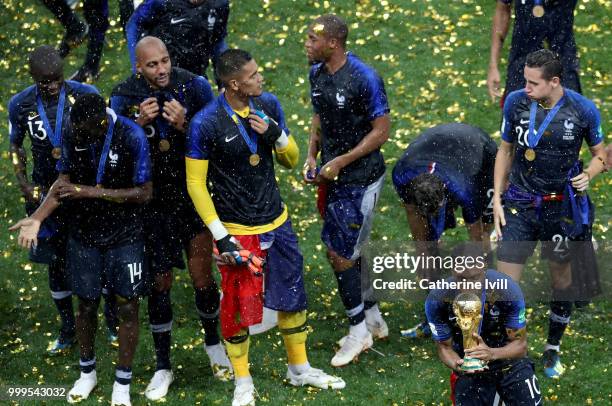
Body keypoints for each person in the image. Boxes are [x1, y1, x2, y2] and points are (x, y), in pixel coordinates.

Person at [186, 48, 345, 406]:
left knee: (292, 296)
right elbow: (195, 184)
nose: (260, 78)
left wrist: (276, 134)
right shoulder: (206, 123)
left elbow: (290, 161)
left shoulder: (267, 105)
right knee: (239, 309)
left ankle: (299, 368)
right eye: (253, 75)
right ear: (233, 83)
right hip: (237, 231)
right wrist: (221, 237)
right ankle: (243, 381)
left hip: (278, 221)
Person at [10, 93, 153, 405]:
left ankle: (122, 385)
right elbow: (62, 185)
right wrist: (36, 218)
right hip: (84, 235)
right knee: (86, 304)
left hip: (125, 236)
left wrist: (88, 191)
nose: (79, 135)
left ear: (101, 123)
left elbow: (143, 193)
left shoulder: (132, 136)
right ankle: (87, 374)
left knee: (128, 306)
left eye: (86, 130)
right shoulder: (75, 130)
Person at [110, 36, 231, 401]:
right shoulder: (123, 96)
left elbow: (219, 135)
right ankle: (164, 365)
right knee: (159, 283)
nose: (161, 70)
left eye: (164, 61)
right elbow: (113, 151)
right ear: (138, 67)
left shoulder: (194, 85)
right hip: (150, 204)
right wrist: (134, 123)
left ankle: (214, 344)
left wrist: (186, 124)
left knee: (201, 277)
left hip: (190, 196)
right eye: (152, 65)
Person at [493, 49, 606, 378]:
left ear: (555, 82)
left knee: (562, 281)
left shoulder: (582, 110)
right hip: (519, 205)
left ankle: (552, 349)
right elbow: (505, 149)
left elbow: (600, 154)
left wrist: (591, 172)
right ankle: (516, 349)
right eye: (524, 80)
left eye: (532, 83)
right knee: (505, 287)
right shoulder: (515, 102)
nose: (524, 87)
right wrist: (497, 198)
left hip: (560, 211)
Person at [8, 45, 118, 355]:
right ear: (33, 78)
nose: (53, 86)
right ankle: (67, 328)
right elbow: (16, 148)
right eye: (45, 82)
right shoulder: (20, 104)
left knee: (99, 255)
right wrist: (23, 183)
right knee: (55, 263)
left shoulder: (85, 94)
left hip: (83, 189)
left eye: (57, 79)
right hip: (45, 192)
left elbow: (105, 134)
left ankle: (111, 323)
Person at [303, 14, 391, 367]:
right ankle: (372, 315)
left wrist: (341, 161)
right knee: (351, 248)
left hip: (361, 179)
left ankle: (358, 332)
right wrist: (312, 155)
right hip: (332, 177)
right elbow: (319, 117)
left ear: (333, 44)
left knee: (340, 254)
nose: (307, 44)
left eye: (313, 39)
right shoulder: (317, 74)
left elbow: (381, 131)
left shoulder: (364, 78)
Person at [392, 123, 497, 339]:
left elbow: (476, 237)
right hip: (436, 148)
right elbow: (413, 213)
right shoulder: (402, 175)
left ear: (444, 201)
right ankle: (435, 314)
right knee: (426, 254)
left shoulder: (465, 190)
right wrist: (423, 253)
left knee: (482, 249)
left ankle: (487, 309)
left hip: (479, 151)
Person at [425, 243, 542, 406]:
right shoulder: (438, 298)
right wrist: (459, 366)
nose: (467, 286)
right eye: (461, 278)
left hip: (509, 363)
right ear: (452, 270)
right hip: (468, 370)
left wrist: (492, 353)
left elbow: (520, 346)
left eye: (473, 278)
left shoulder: (506, 291)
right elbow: (444, 347)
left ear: (484, 269)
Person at [487, 0, 581, 105]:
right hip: (522, 66)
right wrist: (493, 65)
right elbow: (502, 9)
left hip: (564, 65)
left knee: (567, 115)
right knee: (517, 115)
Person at [127, 0, 229, 81]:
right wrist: (137, 66)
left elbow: (218, 41)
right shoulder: (161, 2)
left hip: (196, 74)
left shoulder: (219, 4)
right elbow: (134, 25)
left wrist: (223, 82)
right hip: (160, 74)